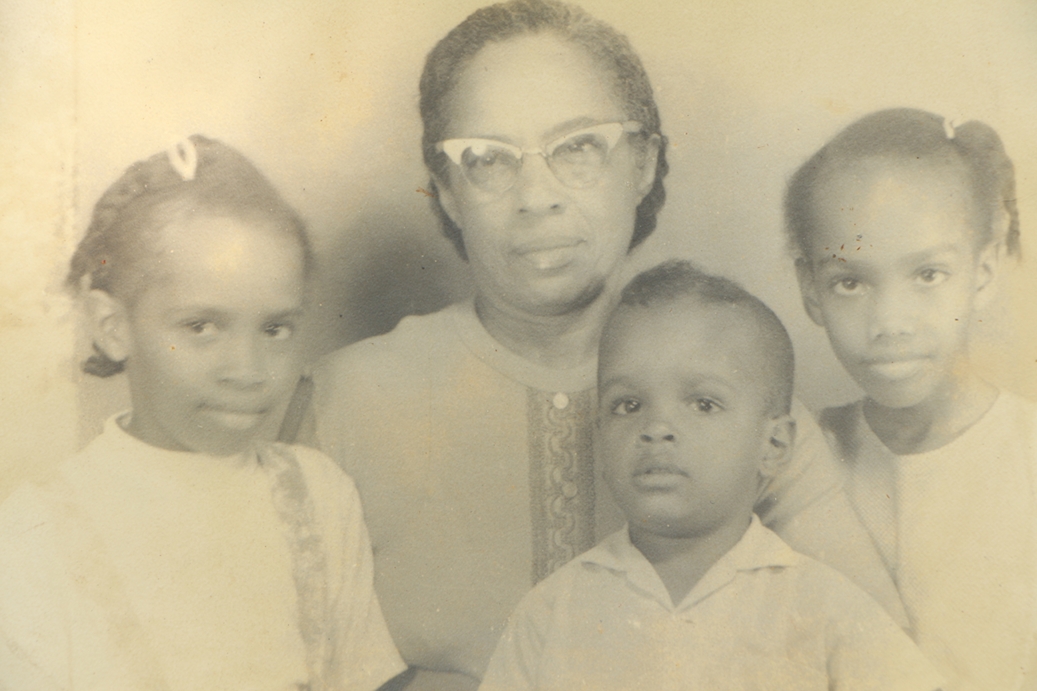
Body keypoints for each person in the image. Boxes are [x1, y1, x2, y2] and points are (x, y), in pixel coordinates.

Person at [298, 1, 902, 687]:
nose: (537, 197)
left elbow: (875, 655)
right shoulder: (348, 401)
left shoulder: (737, 389)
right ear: (446, 190)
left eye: (578, 146)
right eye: (487, 159)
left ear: (643, 163)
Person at [0, 136, 405, 691]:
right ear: (113, 327)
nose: (248, 369)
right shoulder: (34, 533)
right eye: (201, 327)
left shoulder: (320, 495)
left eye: (275, 329)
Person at [479, 260, 944, 691]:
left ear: (774, 446)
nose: (656, 428)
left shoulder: (823, 608)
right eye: (628, 405)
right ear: (600, 436)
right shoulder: (554, 612)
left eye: (704, 404)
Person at [788, 108, 1036, 691]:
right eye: (851, 282)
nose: (890, 323)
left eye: (927, 275)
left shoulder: (1026, 456)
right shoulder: (797, 458)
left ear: (983, 271)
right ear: (811, 289)